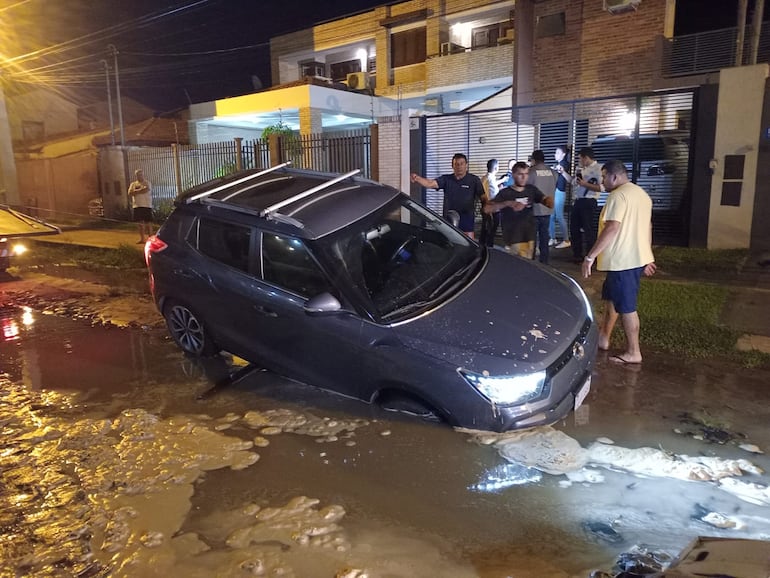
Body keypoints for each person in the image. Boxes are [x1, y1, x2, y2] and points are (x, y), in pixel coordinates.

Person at [582, 159, 656, 365]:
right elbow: (647, 227)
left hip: (623, 261)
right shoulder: (641, 195)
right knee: (613, 300)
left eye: (604, 176)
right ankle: (604, 338)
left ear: (614, 176)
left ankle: (634, 352)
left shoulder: (617, 196)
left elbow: (612, 228)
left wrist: (590, 256)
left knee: (627, 307)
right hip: (631, 259)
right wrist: (647, 256)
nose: (602, 181)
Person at [483, 161, 553, 259]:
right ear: (514, 175)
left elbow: (545, 200)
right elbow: (487, 209)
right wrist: (507, 203)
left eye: (526, 174)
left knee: (530, 268)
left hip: (529, 237)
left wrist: (549, 200)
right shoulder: (506, 193)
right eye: (520, 174)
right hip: (513, 240)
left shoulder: (531, 190)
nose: (524, 177)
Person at [411, 153, 485, 239]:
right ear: (452, 166)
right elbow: (430, 184)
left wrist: (486, 209)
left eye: (462, 164)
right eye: (456, 164)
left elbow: (483, 196)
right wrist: (417, 178)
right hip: (449, 220)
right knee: (449, 245)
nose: (459, 166)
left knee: (468, 246)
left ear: (466, 165)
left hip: (466, 220)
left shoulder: (474, 180)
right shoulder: (446, 179)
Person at [559, 146, 602, 264]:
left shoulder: (598, 169)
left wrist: (585, 184)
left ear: (586, 158)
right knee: (574, 228)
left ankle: (590, 255)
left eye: (580, 159)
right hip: (578, 201)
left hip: (589, 201)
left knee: (588, 229)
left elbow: (601, 187)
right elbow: (573, 182)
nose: (579, 161)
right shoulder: (581, 169)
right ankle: (577, 255)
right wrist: (563, 173)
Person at [527, 150, 556, 264]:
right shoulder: (552, 172)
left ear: (534, 159)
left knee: (532, 239)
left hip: (534, 210)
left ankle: (532, 262)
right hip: (547, 210)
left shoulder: (531, 172)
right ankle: (545, 262)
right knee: (544, 238)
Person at [479, 158, 507, 247]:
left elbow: (492, 187)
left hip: (486, 207)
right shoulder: (489, 179)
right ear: (496, 168)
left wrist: (501, 181)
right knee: (490, 230)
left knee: (485, 229)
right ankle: (488, 247)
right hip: (492, 209)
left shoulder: (486, 177)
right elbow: (493, 194)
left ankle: (482, 245)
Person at [551, 145, 571, 249]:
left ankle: (566, 240)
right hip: (556, 192)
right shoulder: (559, 164)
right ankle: (552, 238)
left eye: (557, 153)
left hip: (560, 192)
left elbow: (566, 176)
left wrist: (559, 170)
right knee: (551, 216)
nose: (555, 154)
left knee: (559, 216)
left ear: (563, 154)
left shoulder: (564, 164)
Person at [127, 169, 153, 244]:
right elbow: (129, 193)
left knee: (148, 223)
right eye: (138, 175)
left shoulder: (147, 183)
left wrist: (135, 192)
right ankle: (142, 239)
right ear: (136, 175)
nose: (139, 176)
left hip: (146, 205)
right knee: (140, 223)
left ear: (143, 175)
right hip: (137, 205)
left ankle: (150, 239)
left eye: (141, 174)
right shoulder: (133, 184)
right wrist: (140, 190)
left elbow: (146, 190)